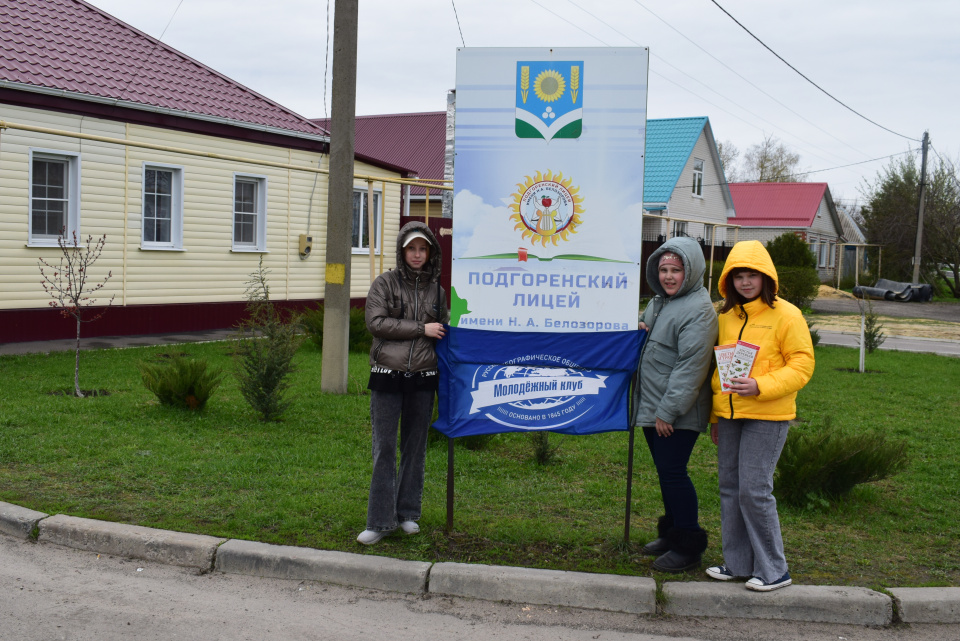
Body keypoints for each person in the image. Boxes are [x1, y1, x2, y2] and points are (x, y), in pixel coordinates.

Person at [705, 240, 815, 591]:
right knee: (730, 488)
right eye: (739, 276)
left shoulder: (788, 315)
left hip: (768, 416)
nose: (746, 282)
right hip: (730, 416)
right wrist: (715, 417)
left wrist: (760, 386)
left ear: (767, 277)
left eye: (753, 275)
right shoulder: (724, 315)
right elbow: (716, 370)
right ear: (729, 280)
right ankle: (737, 564)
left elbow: (802, 365)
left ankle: (774, 569)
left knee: (754, 490)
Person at [357, 222, 448, 545]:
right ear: (402, 251)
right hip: (387, 376)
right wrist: (421, 329)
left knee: (415, 448)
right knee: (384, 448)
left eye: (423, 249)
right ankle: (379, 521)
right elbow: (376, 323)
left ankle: (408, 513)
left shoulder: (438, 292)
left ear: (431, 253)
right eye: (412, 248)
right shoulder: (384, 283)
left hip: (423, 378)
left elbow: (445, 331)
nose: (417, 255)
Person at [632, 237, 718, 573]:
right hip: (652, 405)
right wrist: (641, 328)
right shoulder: (659, 303)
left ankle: (688, 545)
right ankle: (671, 534)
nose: (668, 276)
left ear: (691, 272)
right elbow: (646, 329)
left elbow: (690, 367)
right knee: (665, 474)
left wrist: (667, 412)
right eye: (664, 269)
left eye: (676, 270)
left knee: (674, 473)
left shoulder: (698, 311)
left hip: (675, 412)